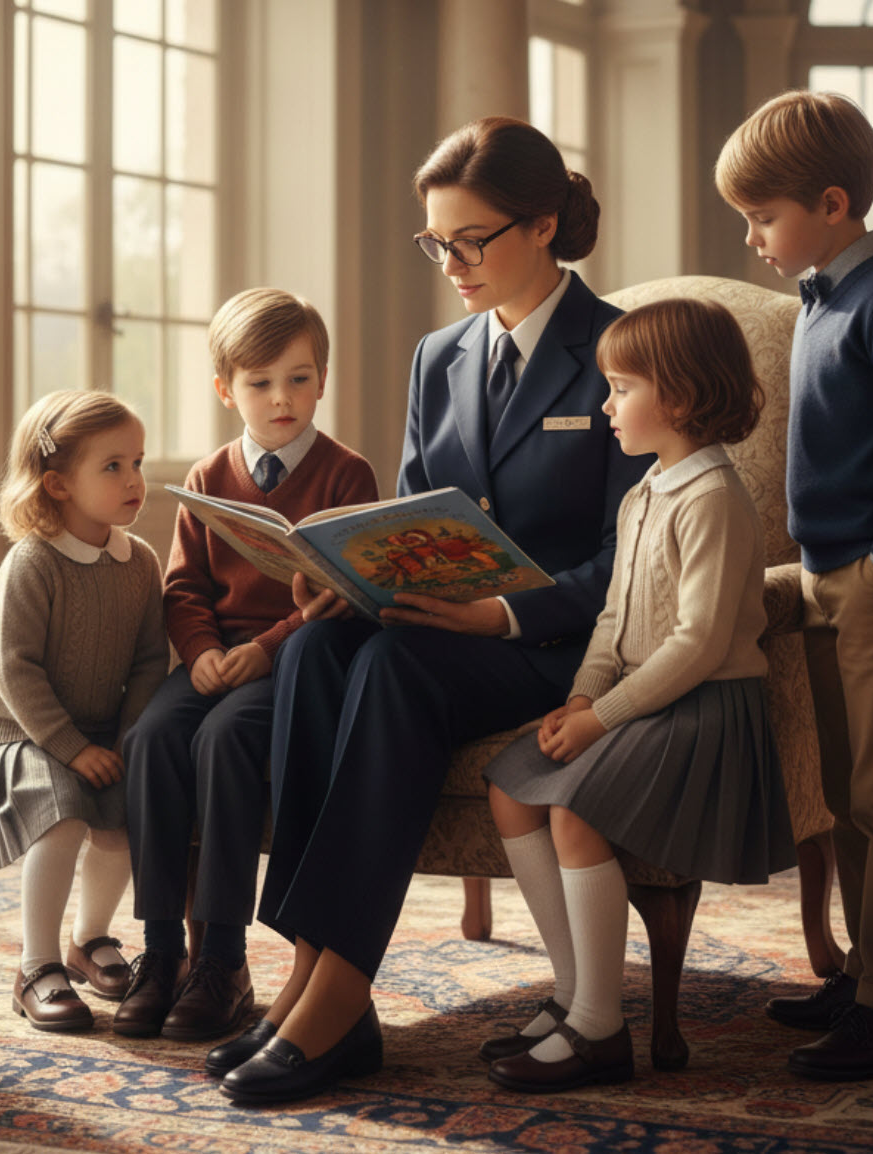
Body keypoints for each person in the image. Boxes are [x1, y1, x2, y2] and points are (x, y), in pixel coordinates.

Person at [209, 117, 650, 1103]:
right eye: (435, 242)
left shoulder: (618, 347)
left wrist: (499, 614)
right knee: (322, 648)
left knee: (392, 670)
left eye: (469, 240)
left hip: (559, 643)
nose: (449, 263)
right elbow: (413, 517)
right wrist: (346, 575)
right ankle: (314, 970)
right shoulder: (438, 355)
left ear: (541, 226)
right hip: (439, 626)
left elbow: (634, 554)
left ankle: (340, 990)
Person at [715, 89, 873, 1080]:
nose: (751, 238)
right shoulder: (821, 299)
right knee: (848, 791)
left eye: (763, 218)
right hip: (829, 574)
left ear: (831, 202)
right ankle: (870, 973)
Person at [481, 297, 796, 1092]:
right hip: (636, 700)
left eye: (620, 388)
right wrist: (584, 696)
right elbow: (615, 616)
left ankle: (599, 1030)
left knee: (574, 811)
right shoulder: (641, 495)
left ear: (680, 399)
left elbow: (694, 645)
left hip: (702, 711)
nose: (604, 405)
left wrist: (603, 720)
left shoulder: (714, 499)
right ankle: (574, 993)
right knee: (509, 786)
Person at [115, 289, 377, 1041]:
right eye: (259, 383)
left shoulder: (345, 474)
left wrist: (264, 650)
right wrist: (200, 654)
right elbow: (184, 586)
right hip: (215, 657)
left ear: (322, 380)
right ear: (227, 389)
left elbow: (342, 593)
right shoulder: (206, 475)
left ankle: (221, 962)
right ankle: (162, 951)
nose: (281, 398)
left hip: (293, 661)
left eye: (298, 379)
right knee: (153, 737)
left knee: (224, 740)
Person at [0, 390, 169, 1031]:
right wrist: (71, 748)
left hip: (103, 733)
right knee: (65, 816)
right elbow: (14, 671)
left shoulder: (141, 563)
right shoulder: (31, 563)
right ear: (57, 484)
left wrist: (128, 738)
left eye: (138, 461)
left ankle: (91, 938)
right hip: (25, 736)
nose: (135, 480)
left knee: (126, 817)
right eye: (113, 467)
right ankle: (37, 965)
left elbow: (149, 662)